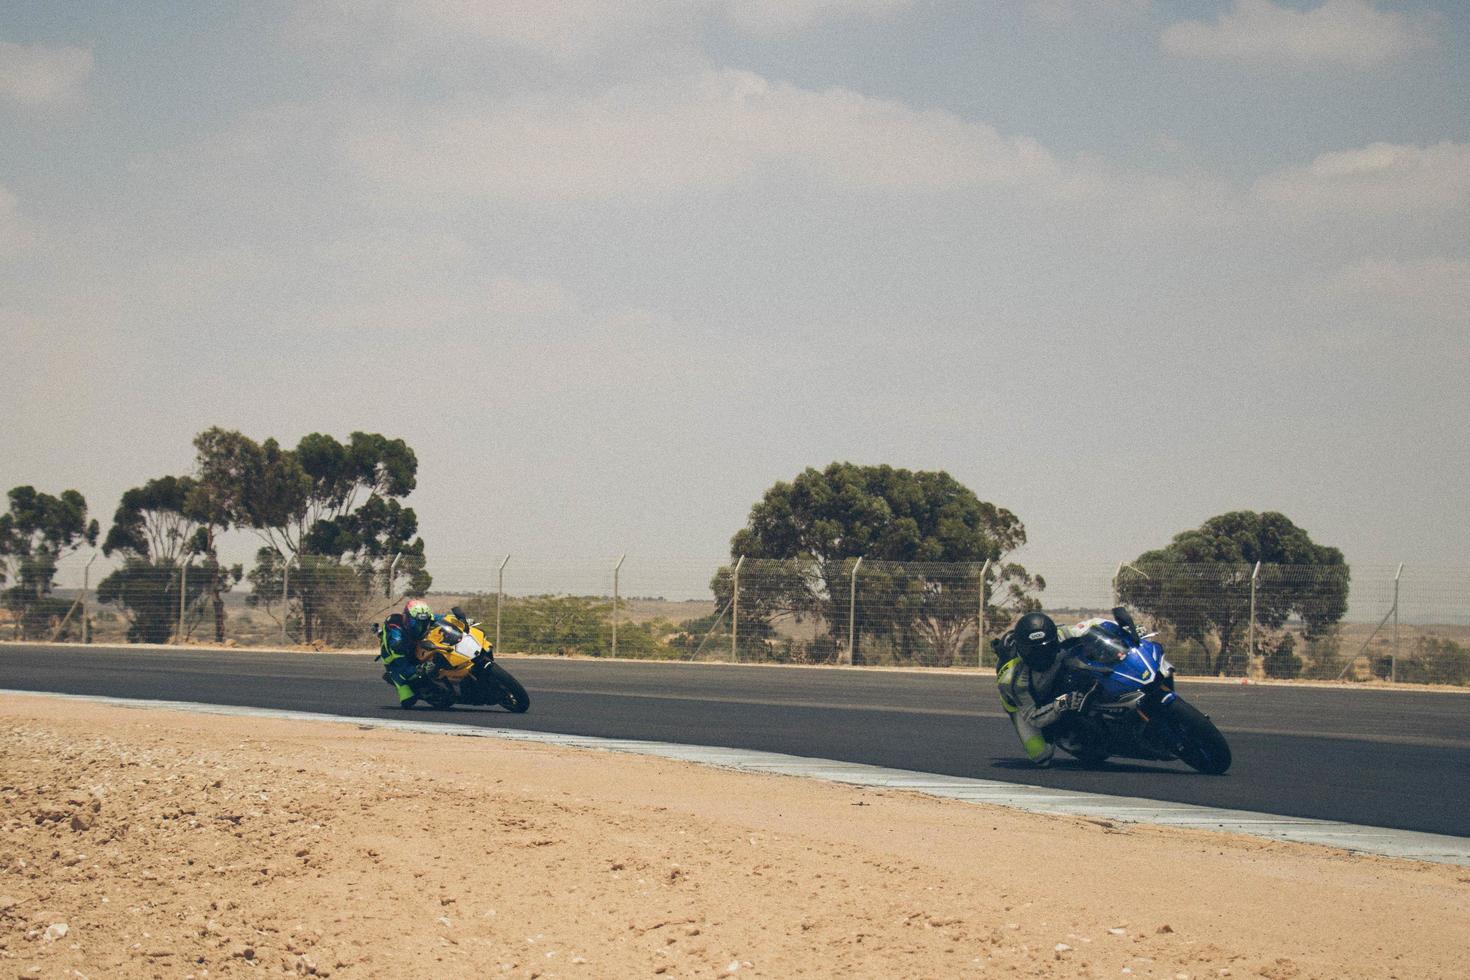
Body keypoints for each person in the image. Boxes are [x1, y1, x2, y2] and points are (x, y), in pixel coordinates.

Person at [994, 611, 1125, 766]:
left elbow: (1095, 624)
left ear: (1054, 639)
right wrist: (1063, 703)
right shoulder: (1015, 681)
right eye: (1033, 652)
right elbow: (1034, 717)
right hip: (1024, 704)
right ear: (1022, 652)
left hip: (1058, 675)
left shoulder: (1062, 633)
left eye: (1046, 649)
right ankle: (1060, 731)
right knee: (1042, 756)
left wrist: (1126, 630)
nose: (1041, 656)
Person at [378, 599, 440, 708]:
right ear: (406, 618)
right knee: (408, 700)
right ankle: (401, 682)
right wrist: (419, 669)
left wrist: (460, 621)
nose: (419, 627)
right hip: (396, 658)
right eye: (415, 623)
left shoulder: (426, 617)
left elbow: (439, 618)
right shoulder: (395, 626)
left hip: (414, 648)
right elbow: (396, 645)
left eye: (423, 623)